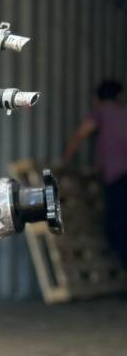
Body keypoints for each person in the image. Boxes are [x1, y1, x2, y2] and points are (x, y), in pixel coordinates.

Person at [64, 80, 127, 267]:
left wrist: (65, 162)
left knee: (115, 229)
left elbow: (79, 136)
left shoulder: (101, 113)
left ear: (98, 99)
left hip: (118, 180)